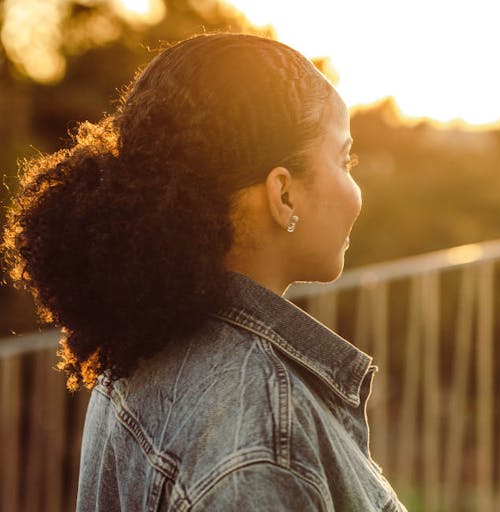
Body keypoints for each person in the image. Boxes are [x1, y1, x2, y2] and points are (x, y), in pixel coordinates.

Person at [2, 33, 406, 511]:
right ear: (284, 195)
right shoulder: (264, 443)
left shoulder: (142, 347)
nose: (355, 185)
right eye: (344, 159)